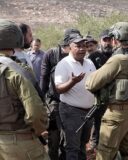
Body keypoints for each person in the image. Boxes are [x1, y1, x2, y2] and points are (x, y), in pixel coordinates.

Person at [85, 22, 128, 160]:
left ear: (115, 39)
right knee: (126, 153)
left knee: (104, 154)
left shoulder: (118, 60)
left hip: (116, 113)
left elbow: (91, 83)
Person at [0, 19, 49, 160]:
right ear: (16, 39)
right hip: (20, 143)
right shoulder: (18, 70)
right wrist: (40, 129)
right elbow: (35, 114)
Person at [40, 28, 80, 160]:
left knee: (69, 139)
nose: (79, 47)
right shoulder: (51, 54)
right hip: (55, 102)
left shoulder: (79, 56)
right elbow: (44, 78)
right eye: (76, 43)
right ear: (68, 43)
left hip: (74, 103)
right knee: (54, 138)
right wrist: (42, 100)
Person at [54, 33, 96, 160]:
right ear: (70, 47)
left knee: (83, 144)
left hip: (88, 112)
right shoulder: (64, 64)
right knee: (72, 147)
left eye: (84, 46)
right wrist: (73, 81)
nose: (82, 49)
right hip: (71, 111)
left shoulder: (89, 63)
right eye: (78, 46)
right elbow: (59, 89)